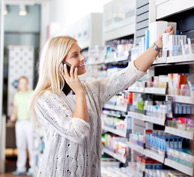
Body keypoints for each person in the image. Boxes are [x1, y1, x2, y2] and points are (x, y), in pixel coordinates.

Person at [29, 26, 174, 177]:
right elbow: (77, 132)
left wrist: (157, 46)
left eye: (81, 52)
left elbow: (128, 75)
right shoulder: (45, 99)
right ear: (60, 65)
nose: (82, 57)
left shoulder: (91, 90)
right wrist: (79, 92)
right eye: (75, 55)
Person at [10, 76, 34, 176]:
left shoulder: (32, 93)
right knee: (20, 146)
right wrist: (13, 115)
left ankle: (33, 168)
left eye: (25, 83)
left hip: (30, 123)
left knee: (32, 146)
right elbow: (16, 108)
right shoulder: (17, 95)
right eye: (21, 83)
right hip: (20, 123)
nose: (23, 85)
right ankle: (21, 168)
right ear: (19, 84)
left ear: (27, 83)